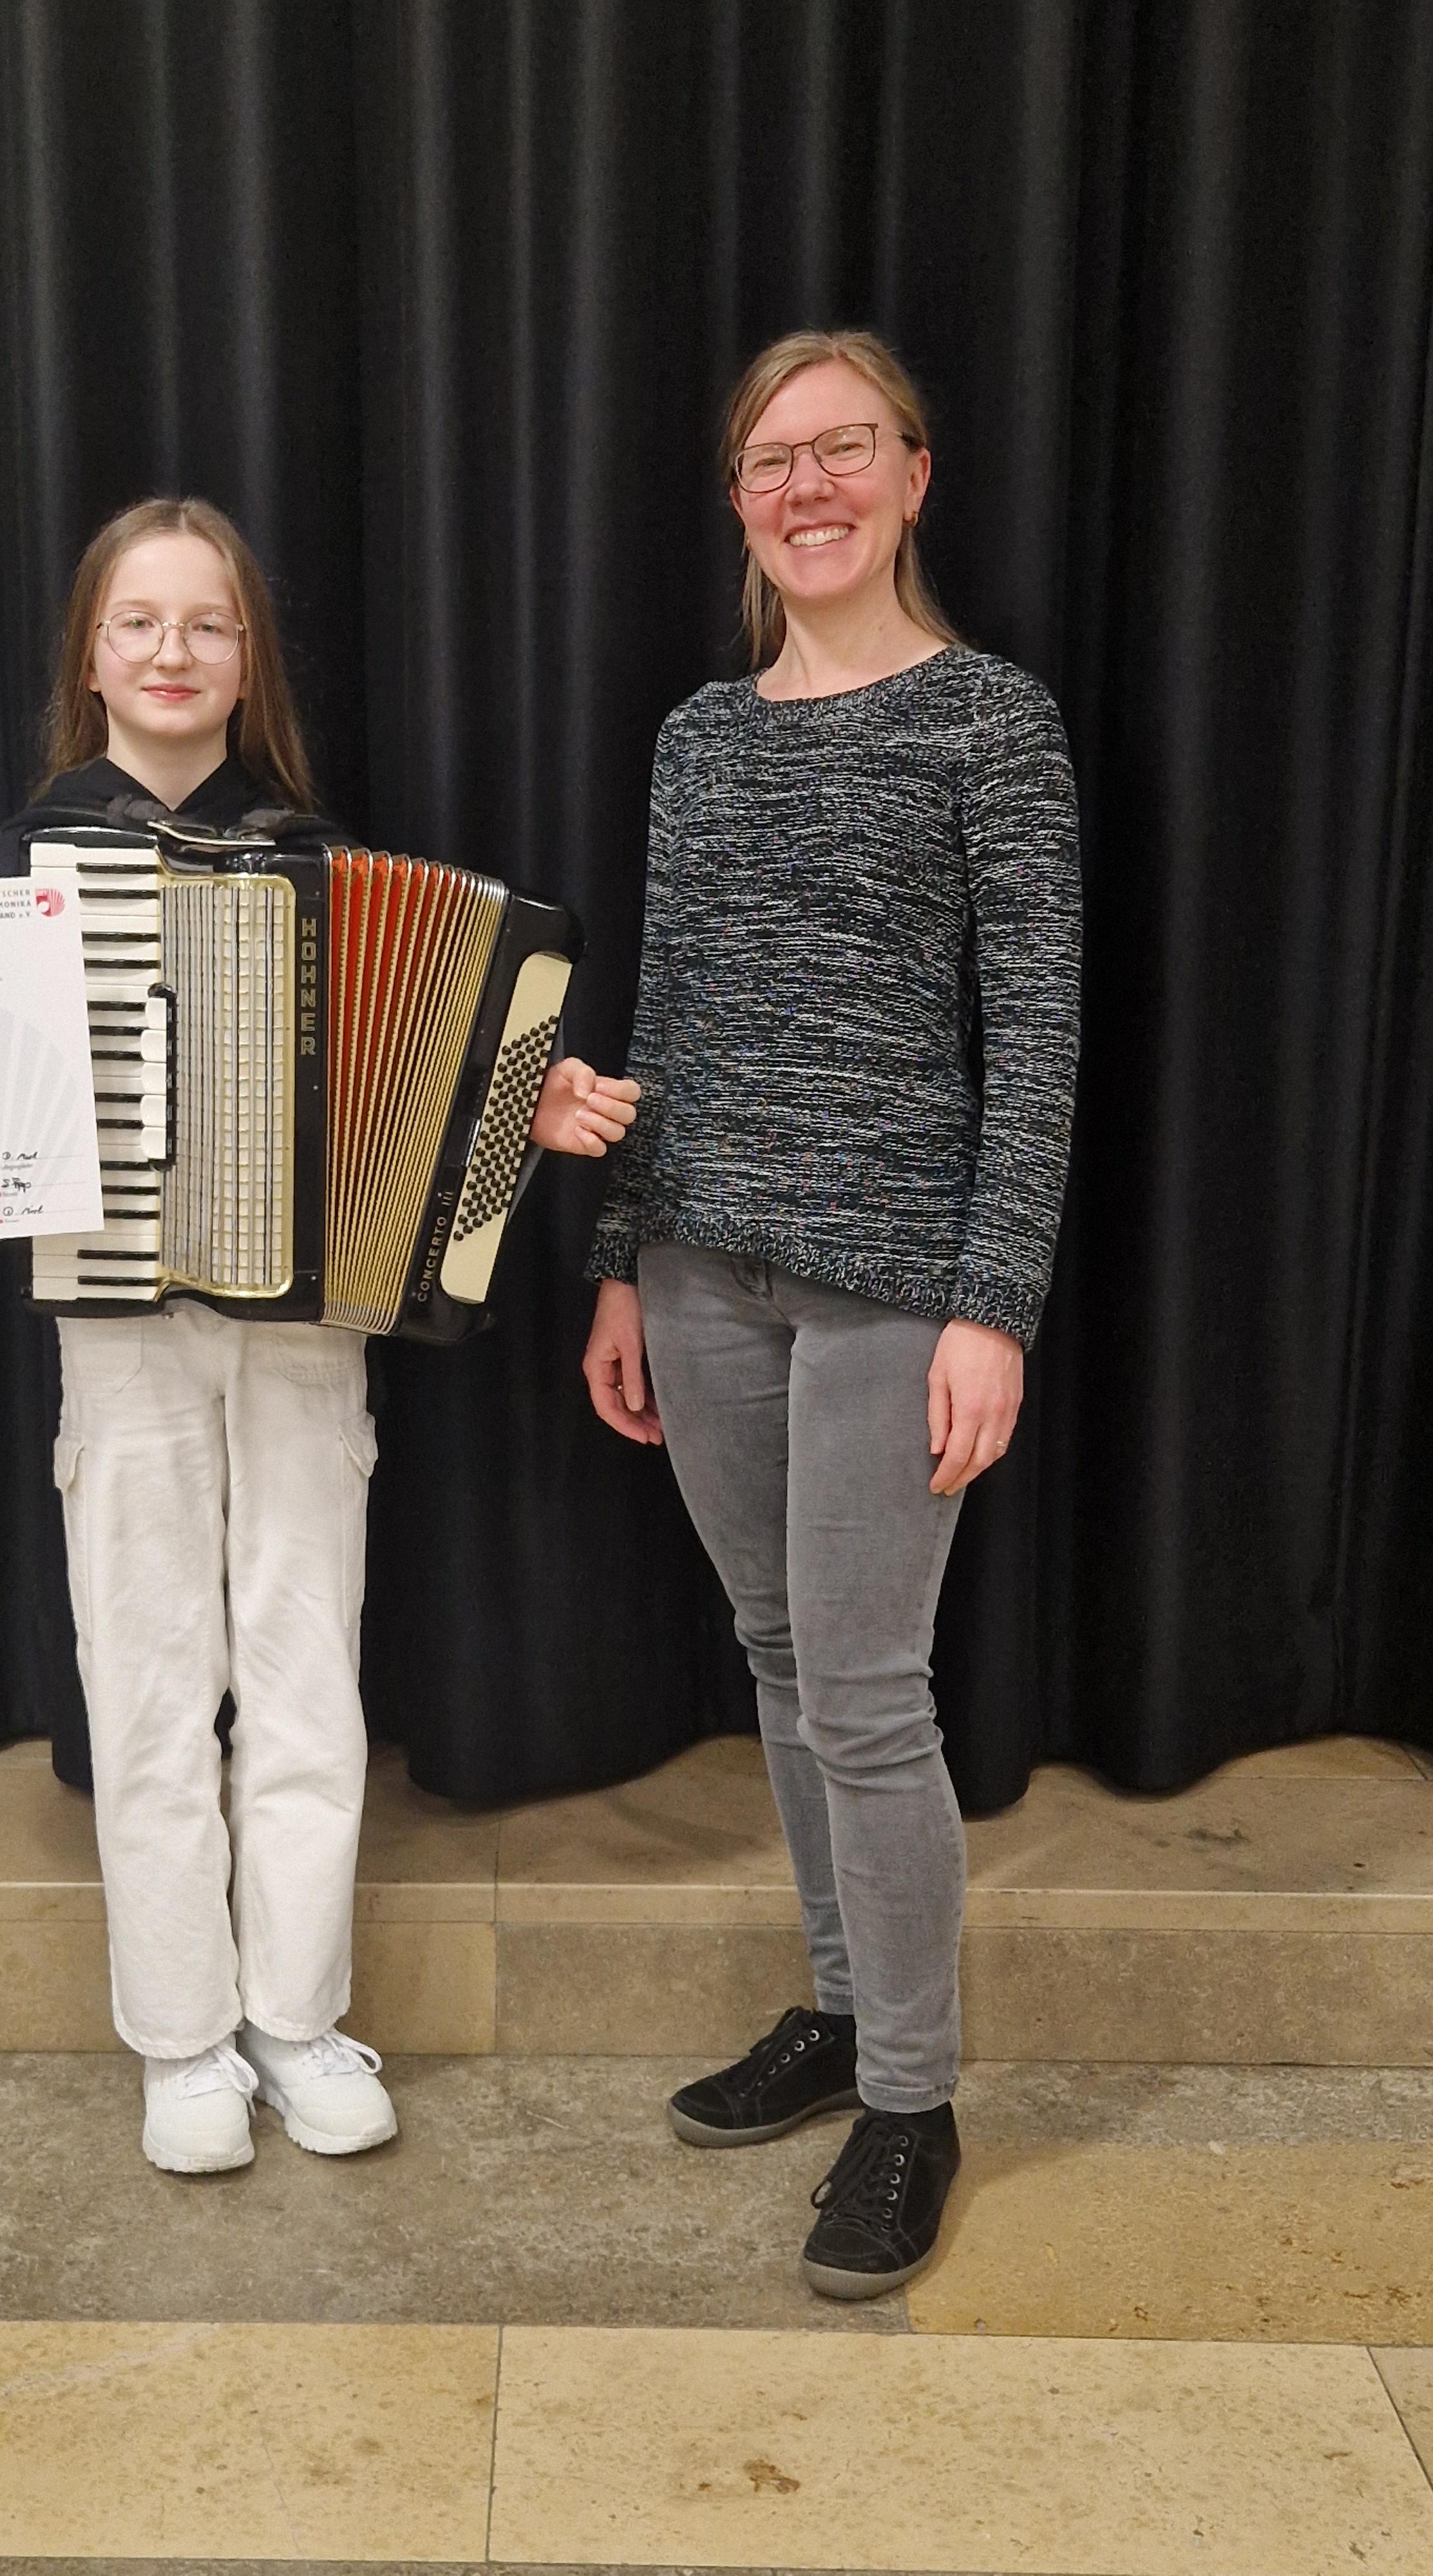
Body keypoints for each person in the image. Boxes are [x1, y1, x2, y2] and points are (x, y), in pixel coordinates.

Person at [0, 496, 638, 2174]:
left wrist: (524, 1102)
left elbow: (426, 1070)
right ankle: (182, 2042)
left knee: (308, 1674)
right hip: (120, 1335)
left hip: (310, 1335)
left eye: (209, 624)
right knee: (149, 1678)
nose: (173, 652)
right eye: (140, 622)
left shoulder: (318, 858)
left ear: (250, 664)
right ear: (90, 659)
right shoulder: (16, 871)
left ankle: (296, 2021)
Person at [583, 332, 1080, 2298]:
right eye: (773, 461)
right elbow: (669, 1010)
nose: (809, 488)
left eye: (843, 450)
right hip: (700, 1270)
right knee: (781, 1655)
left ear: (914, 475)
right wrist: (619, 1258)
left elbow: (1035, 1035)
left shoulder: (991, 722)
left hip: (895, 1287)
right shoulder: (700, 737)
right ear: (737, 501)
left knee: (869, 1691)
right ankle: (844, 2006)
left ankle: (915, 2102)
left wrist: (996, 1306)